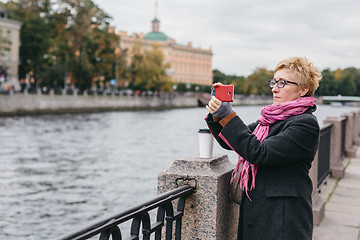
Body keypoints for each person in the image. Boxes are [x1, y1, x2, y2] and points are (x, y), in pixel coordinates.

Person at [205, 56, 322, 240]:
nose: (274, 88)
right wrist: (218, 115)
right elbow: (231, 142)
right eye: (274, 82)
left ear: (303, 89)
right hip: (260, 215)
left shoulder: (305, 124)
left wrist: (228, 116)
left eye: (283, 83)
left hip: (284, 220)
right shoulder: (269, 121)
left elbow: (259, 152)